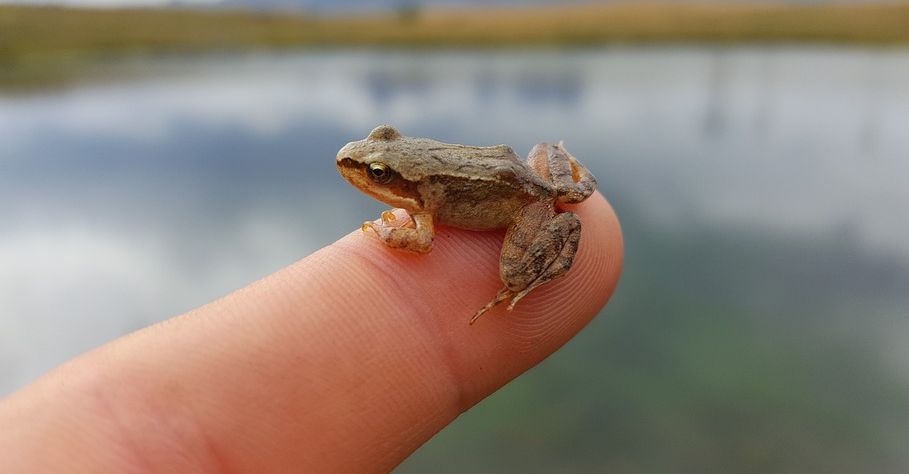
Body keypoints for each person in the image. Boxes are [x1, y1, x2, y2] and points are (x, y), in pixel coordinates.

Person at [0, 194, 622, 472]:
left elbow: (422, 240)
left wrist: (386, 232)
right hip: (518, 176)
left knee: (510, 269)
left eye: (380, 170)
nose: (365, 173)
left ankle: (520, 285)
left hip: (524, 205)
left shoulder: (424, 207)